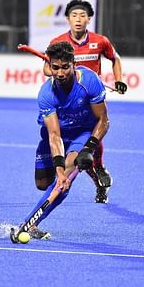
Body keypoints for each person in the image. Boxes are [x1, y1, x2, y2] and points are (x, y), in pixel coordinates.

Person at [43, 0, 126, 204]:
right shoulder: (58, 43)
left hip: (90, 99)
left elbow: (115, 59)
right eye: (74, 16)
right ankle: (92, 170)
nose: (78, 20)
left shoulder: (100, 41)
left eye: (82, 16)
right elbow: (46, 68)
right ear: (68, 19)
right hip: (66, 100)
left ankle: (95, 169)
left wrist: (119, 80)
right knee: (69, 145)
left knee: (90, 143)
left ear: (89, 19)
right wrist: (55, 72)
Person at [25, 41, 109, 239]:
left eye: (65, 67)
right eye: (55, 68)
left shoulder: (89, 82)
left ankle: (30, 223)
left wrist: (89, 148)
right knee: (43, 183)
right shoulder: (46, 93)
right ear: (49, 67)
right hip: (53, 135)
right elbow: (54, 136)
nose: (60, 73)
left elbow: (103, 120)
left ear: (73, 64)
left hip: (81, 133)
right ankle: (57, 180)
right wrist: (59, 170)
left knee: (63, 182)